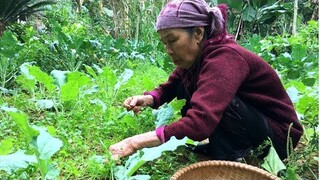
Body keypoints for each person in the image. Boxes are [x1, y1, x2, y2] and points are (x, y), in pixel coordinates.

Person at [109, 0, 303, 161]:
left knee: (219, 102)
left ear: (199, 33)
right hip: (256, 124)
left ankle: (240, 158)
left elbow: (200, 122)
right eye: (164, 43)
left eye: (173, 40)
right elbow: (173, 85)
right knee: (196, 89)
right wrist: (148, 99)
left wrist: (134, 142)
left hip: (280, 138)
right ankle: (226, 150)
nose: (168, 50)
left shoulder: (224, 58)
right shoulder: (198, 58)